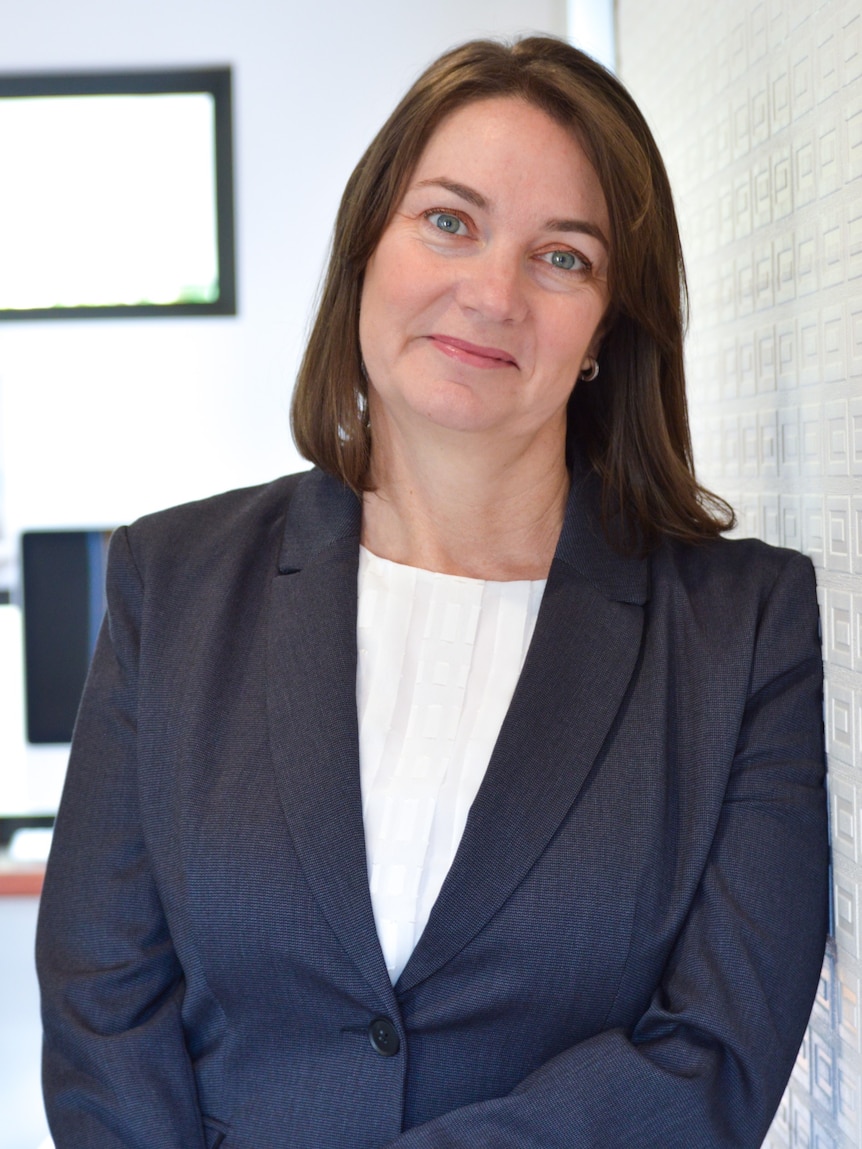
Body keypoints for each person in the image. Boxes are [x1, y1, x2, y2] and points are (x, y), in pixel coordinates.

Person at [37, 35, 828, 1149]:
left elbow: (714, 1060)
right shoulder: (169, 583)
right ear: (368, 246)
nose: (491, 293)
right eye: (449, 221)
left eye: (563, 257)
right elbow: (101, 1002)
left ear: (607, 330)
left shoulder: (742, 631)